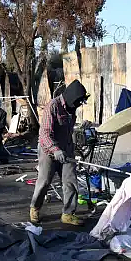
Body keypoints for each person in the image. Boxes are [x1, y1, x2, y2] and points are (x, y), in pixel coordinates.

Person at [30, 80, 89, 226]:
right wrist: (55, 150)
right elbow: (44, 133)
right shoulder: (53, 106)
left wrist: (80, 130)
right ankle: (35, 207)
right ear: (71, 97)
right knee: (44, 182)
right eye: (78, 101)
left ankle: (68, 213)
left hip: (67, 149)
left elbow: (68, 130)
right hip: (48, 151)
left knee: (70, 181)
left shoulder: (71, 107)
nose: (79, 105)